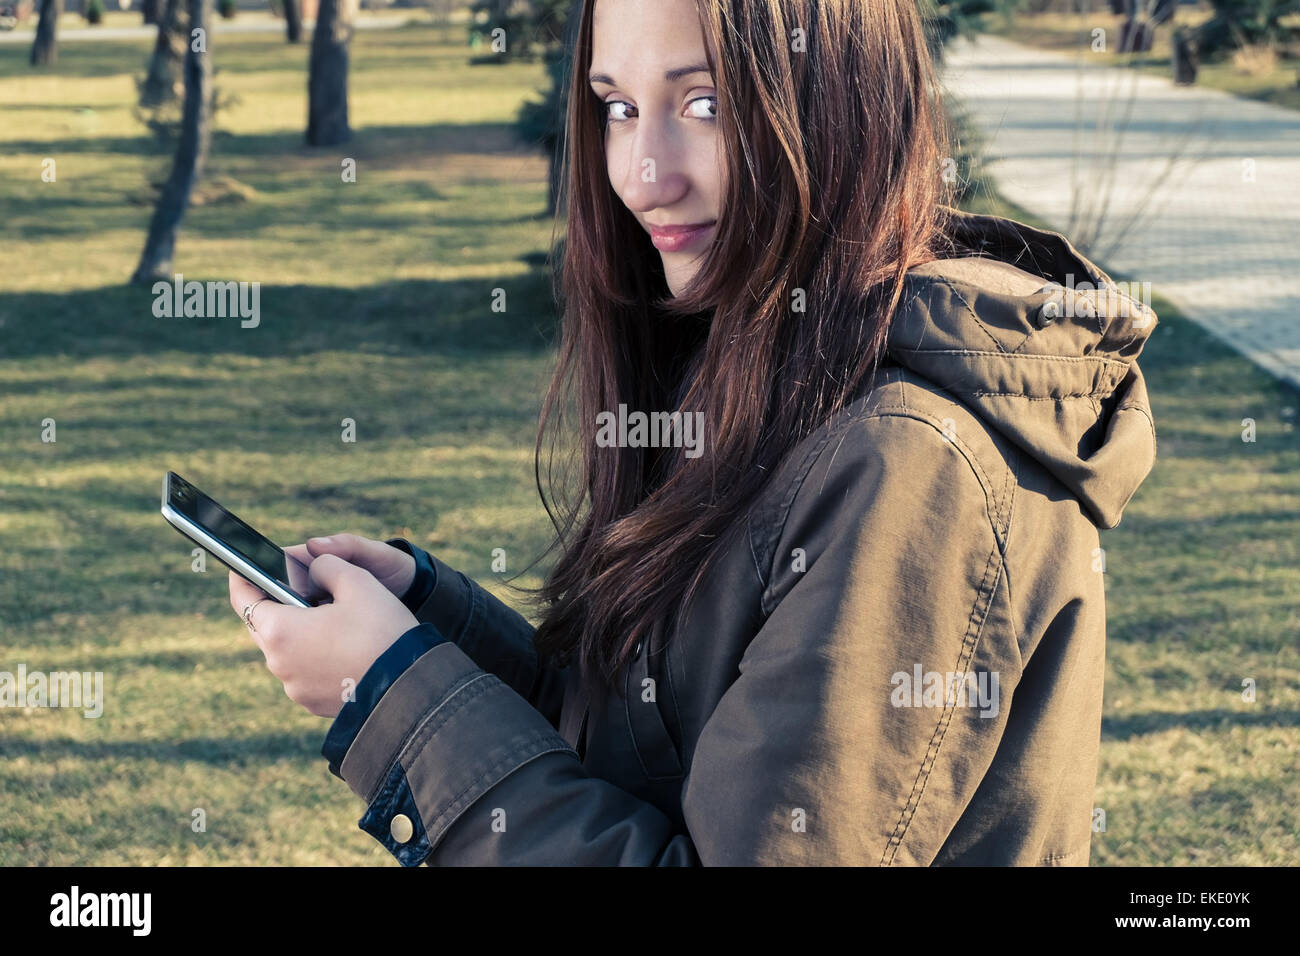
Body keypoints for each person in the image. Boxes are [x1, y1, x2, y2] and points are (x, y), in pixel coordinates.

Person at [229, 0, 1158, 865]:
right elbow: (658, 755)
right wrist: (434, 634)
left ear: (839, 97)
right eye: (618, 107)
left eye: (705, 102)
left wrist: (399, 705)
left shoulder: (909, 465)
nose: (643, 175)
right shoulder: (758, 362)